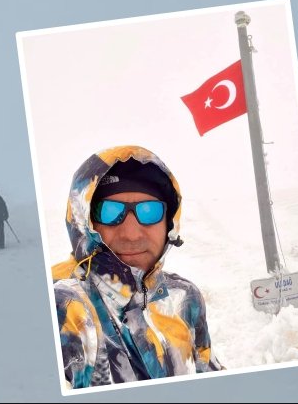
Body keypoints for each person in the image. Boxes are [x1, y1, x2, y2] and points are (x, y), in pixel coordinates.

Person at [52, 145, 222, 388]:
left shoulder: (184, 297)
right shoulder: (62, 306)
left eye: (149, 211)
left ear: (169, 221)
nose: (131, 234)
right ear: (85, 221)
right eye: (110, 212)